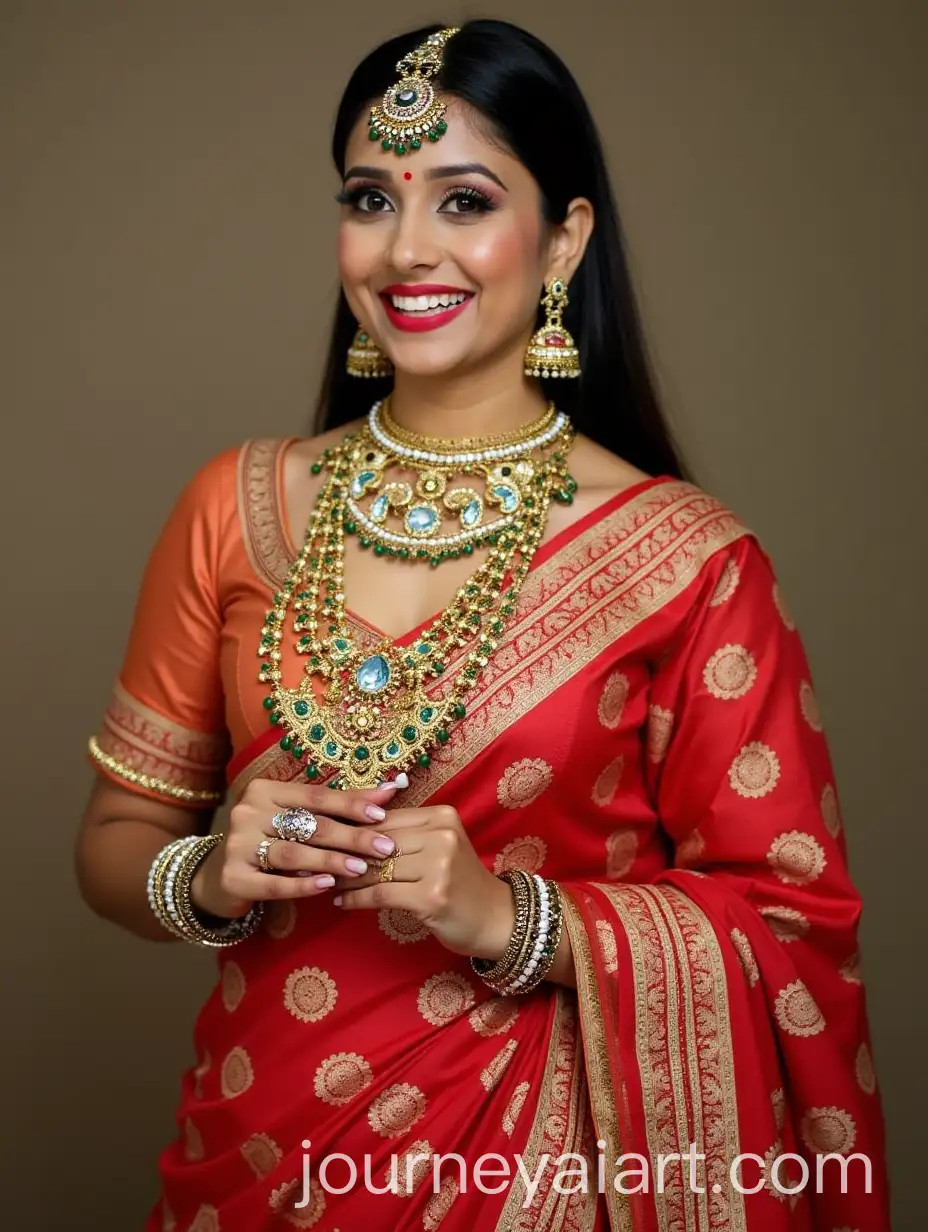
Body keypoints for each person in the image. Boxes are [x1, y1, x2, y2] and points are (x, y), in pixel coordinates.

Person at [74, 19, 890, 1231]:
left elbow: (790, 924)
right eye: (369, 197)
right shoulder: (232, 506)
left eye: (464, 200)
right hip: (257, 1146)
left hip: (541, 1175)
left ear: (563, 237)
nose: (405, 247)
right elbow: (116, 836)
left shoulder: (687, 560)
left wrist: (517, 917)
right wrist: (203, 870)